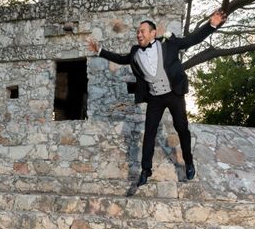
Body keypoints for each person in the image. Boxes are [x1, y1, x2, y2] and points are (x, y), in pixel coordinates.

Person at [87, 10, 227, 186]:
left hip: (174, 94)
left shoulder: (169, 43)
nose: (139, 34)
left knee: (182, 128)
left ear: (153, 33)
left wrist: (211, 25)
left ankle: (189, 162)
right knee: (149, 133)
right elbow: (121, 59)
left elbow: (192, 40)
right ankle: (146, 170)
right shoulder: (135, 52)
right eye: (137, 32)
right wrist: (99, 51)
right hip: (154, 98)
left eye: (142, 31)